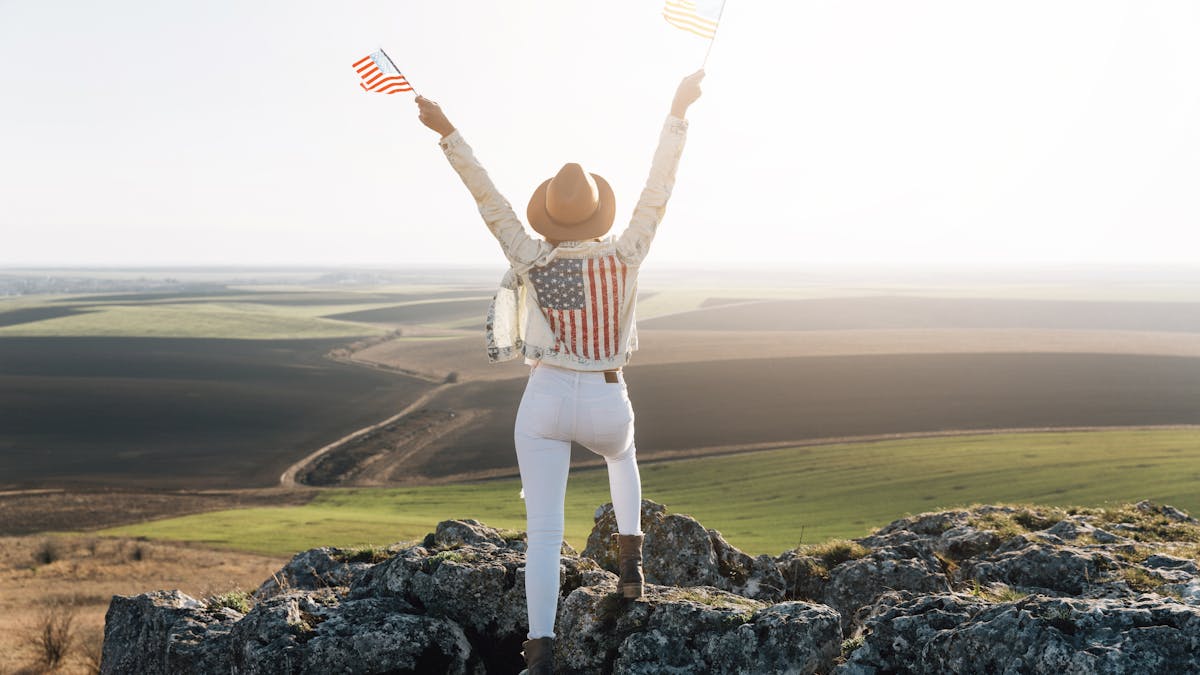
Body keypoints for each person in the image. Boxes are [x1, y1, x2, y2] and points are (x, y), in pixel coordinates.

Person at [416, 70, 703, 675]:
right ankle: (632, 565)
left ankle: (540, 652)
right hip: (606, 395)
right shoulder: (627, 256)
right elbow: (659, 189)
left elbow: (485, 195)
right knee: (622, 458)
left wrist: (447, 132)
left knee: (543, 533)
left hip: (545, 397)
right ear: (599, 212)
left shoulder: (530, 256)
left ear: (549, 215)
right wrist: (677, 110)